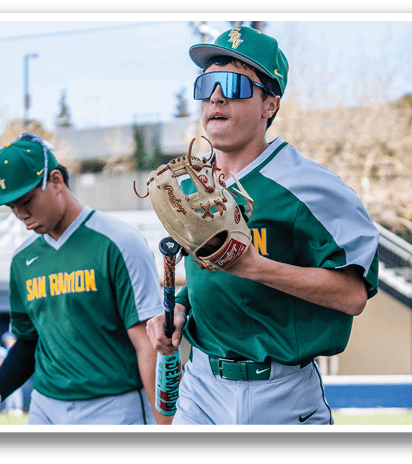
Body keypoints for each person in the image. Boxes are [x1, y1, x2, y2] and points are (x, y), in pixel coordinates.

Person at [146, 26, 380, 425]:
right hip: (201, 387)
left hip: (282, 394)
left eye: (234, 84)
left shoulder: (312, 186)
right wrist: (180, 308)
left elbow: (353, 295)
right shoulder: (193, 186)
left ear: (270, 104)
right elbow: (211, 281)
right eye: (207, 83)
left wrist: (253, 266)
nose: (216, 96)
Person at [0, 133, 169, 425]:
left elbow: (148, 344)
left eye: (26, 199)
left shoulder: (119, 241)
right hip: (45, 407)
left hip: (115, 405)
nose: (19, 213)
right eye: (11, 205)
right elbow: (30, 341)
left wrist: (166, 423)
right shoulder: (22, 260)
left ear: (55, 180)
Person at [0, 331, 24, 416]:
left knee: (16, 391)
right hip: (9, 373)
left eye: (8, 340)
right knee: (8, 391)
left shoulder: (18, 347)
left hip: (17, 372)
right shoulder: (7, 349)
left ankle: (18, 408)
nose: (7, 342)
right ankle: (9, 408)